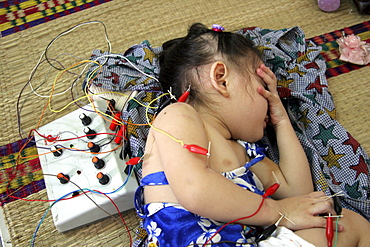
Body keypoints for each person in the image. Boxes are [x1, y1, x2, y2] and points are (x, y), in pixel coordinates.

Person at [134, 23, 370, 246]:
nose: (269, 100)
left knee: (346, 223)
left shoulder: (246, 153)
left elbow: (301, 195)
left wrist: (281, 119)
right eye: (263, 87)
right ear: (221, 80)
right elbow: (194, 189)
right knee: (353, 225)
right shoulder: (177, 115)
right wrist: (280, 212)